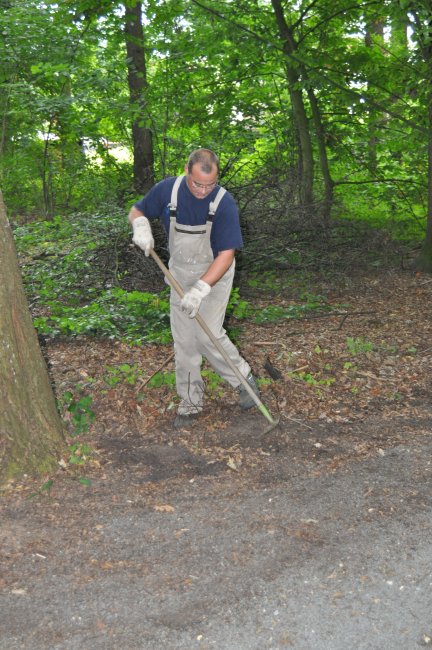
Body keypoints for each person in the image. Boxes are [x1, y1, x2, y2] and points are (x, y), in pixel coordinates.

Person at [128, 148, 259, 428]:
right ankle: (190, 402)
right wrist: (140, 226)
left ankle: (244, 380)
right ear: (187, 171)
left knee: (207, 333)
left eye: (210, 185)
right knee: (185, 341)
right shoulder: (168, 190)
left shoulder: (224, 203)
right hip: (179, 275)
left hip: (215, 274)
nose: (203, 191)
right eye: (198, 184)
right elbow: (137, 210)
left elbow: (227, 254)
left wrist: (200, 290)